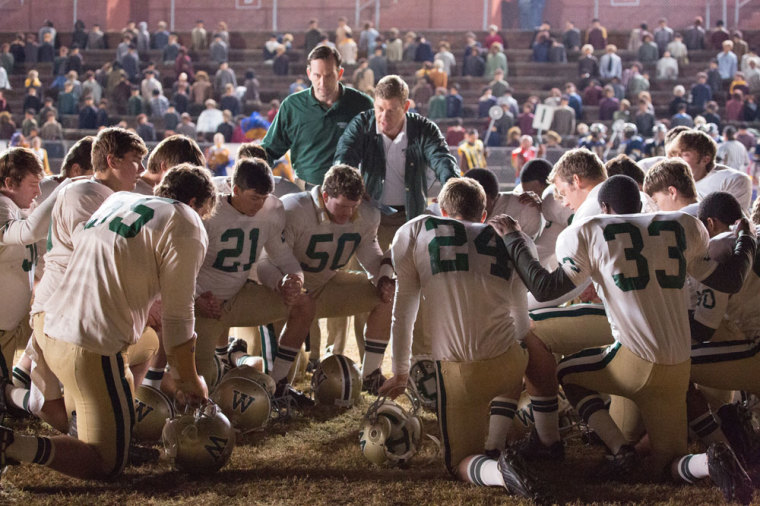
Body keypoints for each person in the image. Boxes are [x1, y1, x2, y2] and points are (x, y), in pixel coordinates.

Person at [490, 174, 755, 502]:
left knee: (569, 373)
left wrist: (514, 239)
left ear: (603, 206)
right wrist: (746, 240)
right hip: (677, 367)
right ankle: (707, 462)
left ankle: (618, 450)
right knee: (666, 466)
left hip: (633, 360)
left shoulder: (589, 231)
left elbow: (545, 287)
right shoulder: (683, 225)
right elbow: (729, 280)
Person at [7, 164, 215, 480]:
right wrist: (188, 377)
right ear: (196, 203)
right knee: (106, 462)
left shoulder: (120, 200)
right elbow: (178, 315)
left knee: (146, 344)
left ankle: (91, 412)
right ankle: (13, 445)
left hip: (50, 325)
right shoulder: (185, 221)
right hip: (89, 342)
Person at [379, 178, 542, 502]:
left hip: (460, 375)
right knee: (514, 349)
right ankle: (495, 444)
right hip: (507, 366)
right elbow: (521, 322)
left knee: (459, 464)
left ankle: (497, 470)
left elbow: (403, 312)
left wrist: (399, 371)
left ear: (442, 209)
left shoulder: (415, 230)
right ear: (484, 213)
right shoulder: (513, 236)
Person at [334, 75, 459, 247]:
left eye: (391, 110)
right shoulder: (361, 124)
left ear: (406, 106)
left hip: (410, 215)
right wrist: (348, 185)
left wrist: (450, 187)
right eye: (379, 108)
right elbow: (345, 155)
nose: (383, 117)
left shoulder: (425, 128)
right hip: (369, 212)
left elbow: (442, 158)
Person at [262, 45, 373, 189]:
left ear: (340, 73)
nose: (322, 83)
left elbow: (376, 152)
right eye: (317, 76)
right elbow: (269, 150)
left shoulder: (362, 104)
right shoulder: (293, 106)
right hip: (305, 191)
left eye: (328, 76)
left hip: (349, 193)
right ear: (309, 73)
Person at [668, 129, 752, 212]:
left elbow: (729, 221)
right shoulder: (669, 181)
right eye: (674, 154)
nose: (677, 159)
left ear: (705, 159)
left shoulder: (732, 180)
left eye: (685, 155)